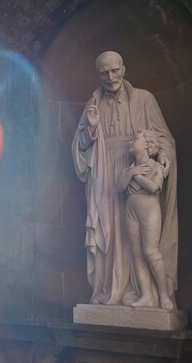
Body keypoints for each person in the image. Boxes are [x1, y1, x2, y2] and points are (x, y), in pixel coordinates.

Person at [71, 51, 178, 307]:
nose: (110, 77)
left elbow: (163, 137)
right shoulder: (93, 104)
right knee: (109, 231)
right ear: (99, 75)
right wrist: (93, 127)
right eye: (104, 72)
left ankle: (145, 292)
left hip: (136, 172)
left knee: (142, 242)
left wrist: (163, 155)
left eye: (114, 70)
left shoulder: (143, 99)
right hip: (106, 174)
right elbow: (80, 145)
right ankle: (109, 290)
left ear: (123, 70)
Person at [117, 130, 173, 309]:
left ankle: (164, 296)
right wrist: (131, 172)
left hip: (149, 210)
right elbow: (119, 187)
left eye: (135, 139)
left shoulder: (155, 166)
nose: (130, 141)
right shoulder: (130, 168)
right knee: (136, 252)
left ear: (148, 145)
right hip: (131, 210)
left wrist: (137, 176)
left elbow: (154, 187)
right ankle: (146, 295)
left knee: (150, 251)